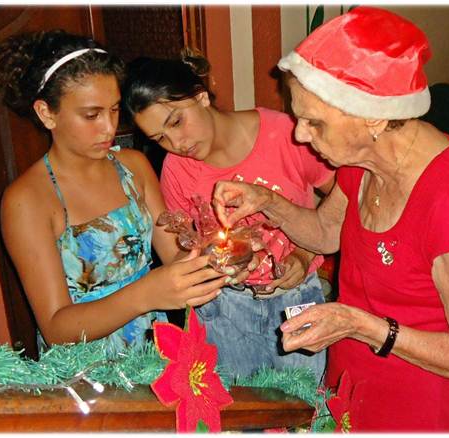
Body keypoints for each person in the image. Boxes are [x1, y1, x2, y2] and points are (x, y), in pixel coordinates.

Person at [211, 7, 449, 432]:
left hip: (418, 411)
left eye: (314, 122)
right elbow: (325, 233)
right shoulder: (360, 161)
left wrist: (358, 324)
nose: (299, 134)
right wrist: (266, 201)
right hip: (348, 389)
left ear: (374, 116)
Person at [0, 30, 228, 354]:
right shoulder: (27, 200)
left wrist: (220, 252)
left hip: (152, 351)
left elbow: (175, 255)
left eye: (114, 110)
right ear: (47, 113)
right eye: (91, 115)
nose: (109, 127)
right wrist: (146, 294)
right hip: (86, 369)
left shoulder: (133, 167)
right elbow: (56, 327)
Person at [121, 51, 335, 381]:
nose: (176, 143)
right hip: (225, 309)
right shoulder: (177, 170)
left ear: (201, 96)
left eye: (176, 122)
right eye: (159, 138)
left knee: (303, 406)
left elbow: (343, 201)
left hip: (296, 300)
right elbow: (180, 254)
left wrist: (305, 254)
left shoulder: (284, 134)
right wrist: (213, 259)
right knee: (236, 408)